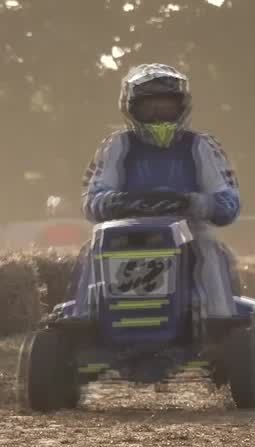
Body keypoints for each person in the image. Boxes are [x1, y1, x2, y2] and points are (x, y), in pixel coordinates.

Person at [79, 63, 242, 317]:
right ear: (132, 110)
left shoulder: (201, 146)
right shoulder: (116, 146)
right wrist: (117, 202)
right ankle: (86, 320)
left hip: (188, 233)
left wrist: (194, 203)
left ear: (181, 108)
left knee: (209, 250)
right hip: (126, 233)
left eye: (165, 107)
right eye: (148, 107)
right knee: (92, 249)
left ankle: (217, 322)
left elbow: (229, 201)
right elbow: (92, 198)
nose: (157, 115)